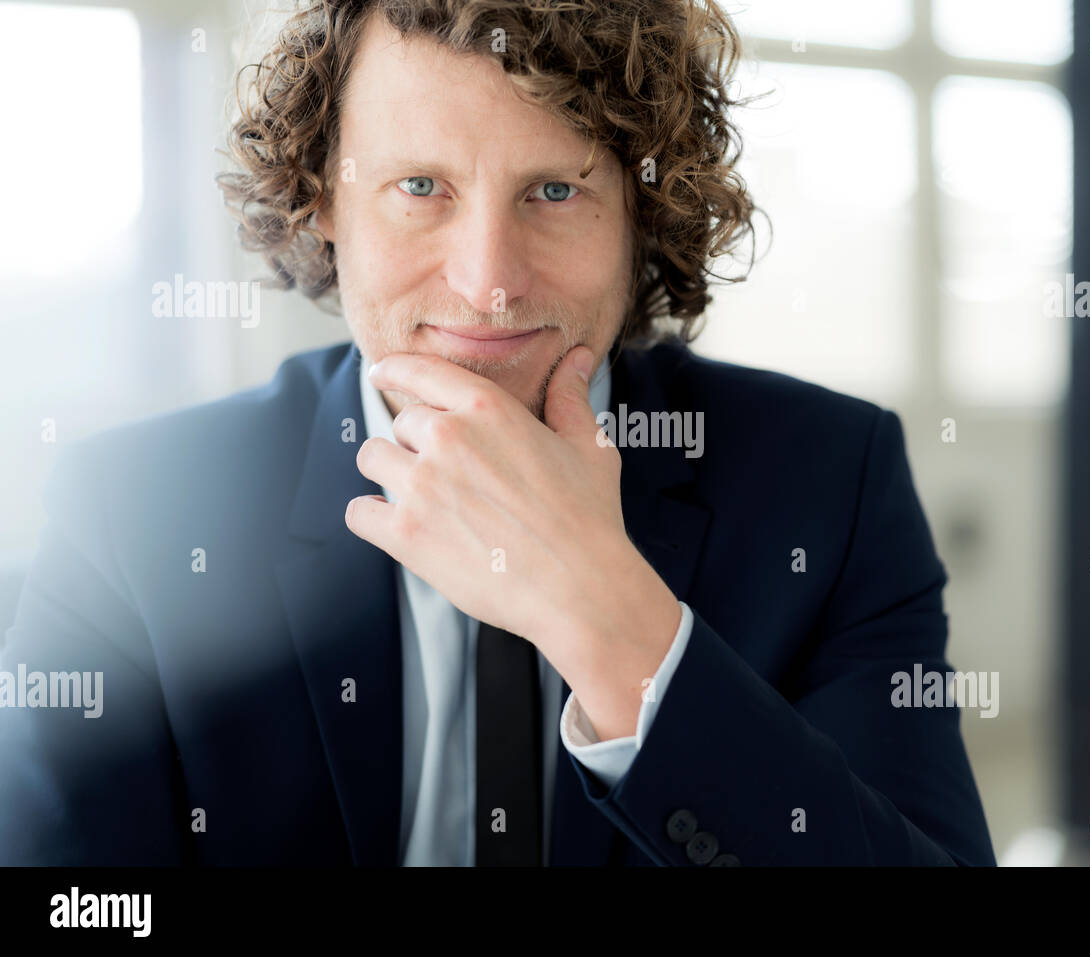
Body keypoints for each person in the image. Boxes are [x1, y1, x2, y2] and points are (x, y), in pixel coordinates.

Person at [0, 0, 995, 866]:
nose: (489, 282)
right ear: (322, 196)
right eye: (419, 188)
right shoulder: (130, 511)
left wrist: (608, 620)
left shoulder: (829, 485)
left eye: (554, 191)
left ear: (642, 211)